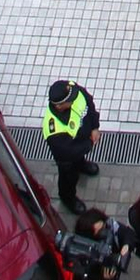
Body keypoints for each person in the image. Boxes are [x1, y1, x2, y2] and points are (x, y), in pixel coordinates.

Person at [43, 78, 101, 206]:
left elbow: (89, 104)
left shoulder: (72, 91)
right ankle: (67, 198)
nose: (74, 99)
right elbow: (68, 152)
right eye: (70, 101)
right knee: (69, 178)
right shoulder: (54, 129)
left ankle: (81, 165)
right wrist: (90, 143)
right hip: (67, 159)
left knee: (79, 159)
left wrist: (94, 127)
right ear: (59, 106)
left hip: (81, 141)